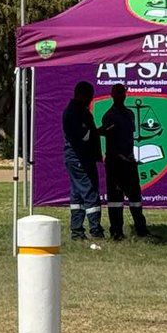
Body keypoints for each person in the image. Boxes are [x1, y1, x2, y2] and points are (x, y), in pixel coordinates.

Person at [99, 83, 149, 240]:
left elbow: (129, 137)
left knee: (135, 197)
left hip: (130, 161)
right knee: (115, 199)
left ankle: (141, 229)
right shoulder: (109, 116)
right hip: (115, 163)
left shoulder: (129, 114)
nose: (121, 95)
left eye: (123, 92)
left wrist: (129, 156)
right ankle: (116, 232)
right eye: (118, 93)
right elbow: (108, 137)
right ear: (112, 95)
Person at [62, 81, 104, 241]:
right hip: (79, 158)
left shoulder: (77, 111)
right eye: (90, 95)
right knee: (90, 191)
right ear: (82, 94)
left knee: (77, 195)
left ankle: (77, 231)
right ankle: (96, 231)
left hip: (79, 157)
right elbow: (82, 135)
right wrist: (96, 132)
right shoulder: (74, 112)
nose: (91, 99)